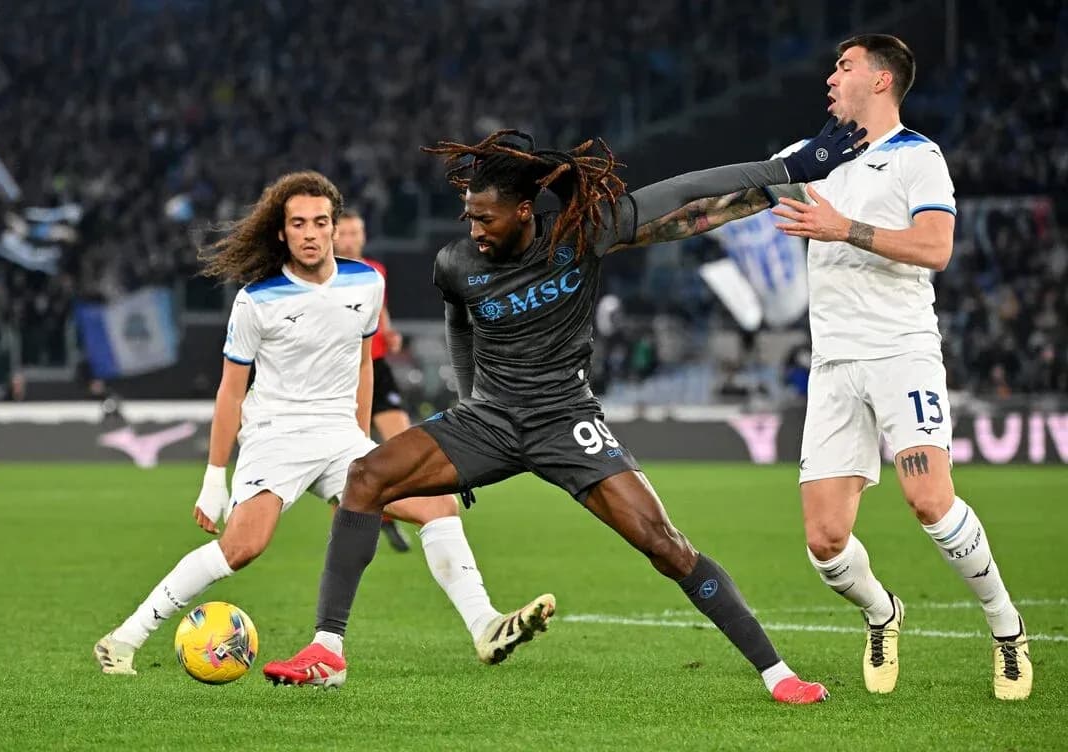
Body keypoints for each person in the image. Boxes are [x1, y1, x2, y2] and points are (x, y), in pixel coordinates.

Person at [264, 123, 868, 702]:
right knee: (364, 479)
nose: (472, 228)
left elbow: (686, 189)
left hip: (564, 420)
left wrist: (789, 168)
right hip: (489, 422)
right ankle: (327, 649)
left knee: (666, 545)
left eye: (484, 216)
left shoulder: (583, 232)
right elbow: (459, 321)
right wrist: (470, 399)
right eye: (468, 215)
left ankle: (778, 674)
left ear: (524, 211)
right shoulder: (456, 264)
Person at [94, 171, 550, 682]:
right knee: (242, 548)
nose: (310, 233)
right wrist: (213, 477)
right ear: (282, 233)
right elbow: (230, 390)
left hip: (340, 438)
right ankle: (123, 639)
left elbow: (362, 366)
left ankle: (485, 625)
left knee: (437, 504)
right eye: (298, 224)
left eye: (320, 222)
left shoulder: (366, 283)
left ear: (336, 227)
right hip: (275, 436)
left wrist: (363, 448)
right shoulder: (255, 300)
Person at [768, 34, 1032, 700]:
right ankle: (883, 612)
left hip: (900, 352)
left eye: (844, 65)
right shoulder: (806, 160)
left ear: (881, 80)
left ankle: (1006, 627)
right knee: (825, 541)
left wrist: (843, 228)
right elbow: (727, 201)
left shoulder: (918, 157)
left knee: (929, 501)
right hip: (833, 365)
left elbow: (937, 247)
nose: (831, 75)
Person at [334, 207, 412, 553]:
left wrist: (390, 333)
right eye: (344, 233)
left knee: (404, 445)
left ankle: (389, 514)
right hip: (342, 371)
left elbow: (381, 313)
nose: (350, 240)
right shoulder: (326, 276)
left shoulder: (375, 271)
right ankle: (349, 532)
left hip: (377, 367)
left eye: (355, 233)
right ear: (333, 236)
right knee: (346, 456)